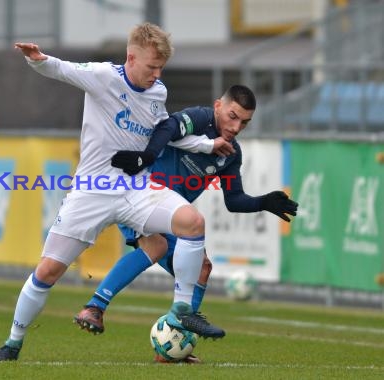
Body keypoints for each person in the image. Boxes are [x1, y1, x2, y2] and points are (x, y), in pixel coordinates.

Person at [0, 22, 235, 362]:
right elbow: (62, 69)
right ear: (131, 57)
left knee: (192, 222)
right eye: (151, 67)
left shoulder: (157, 92)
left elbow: (167, 132)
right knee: (47, 272)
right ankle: (12, 344)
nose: (157, 74)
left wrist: (208, 144)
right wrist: (38, 59)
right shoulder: (104, 76)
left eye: (161, 67)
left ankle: (181, 309)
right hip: (93, 189)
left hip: (136, 188)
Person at [74, 85, 299, 363]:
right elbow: (167, 128)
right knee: (154, 247)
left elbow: (234, 200)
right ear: (218, 106)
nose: (237, 126)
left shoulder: (230, 154)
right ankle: (95, 307)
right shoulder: (198, 119)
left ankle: (173, 344)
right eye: (232, 116)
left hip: (174, 217)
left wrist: (263, 202)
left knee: (202, 268)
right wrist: (148, 156)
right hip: (139, 196)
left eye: (244, 122)